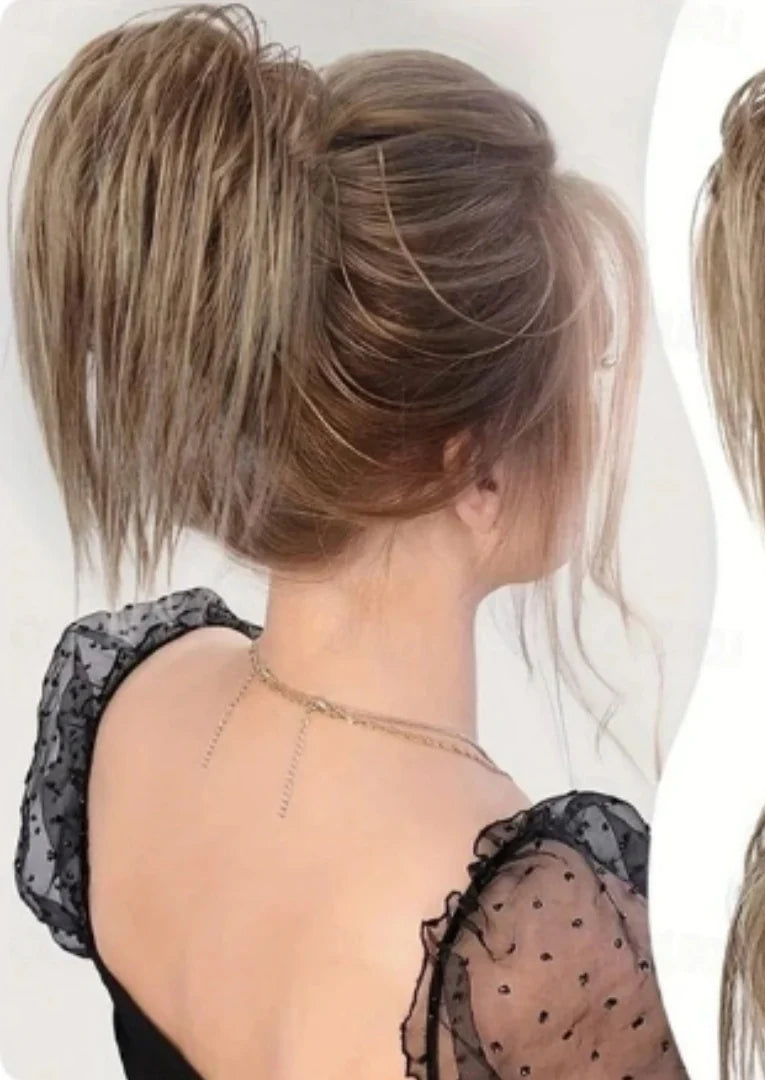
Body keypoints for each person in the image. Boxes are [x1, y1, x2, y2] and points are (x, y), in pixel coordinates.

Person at [11, 6, 684, 1078]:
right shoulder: (532, 954)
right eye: (588, 371)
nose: (598, 416)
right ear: (476, 469)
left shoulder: (131, 699)